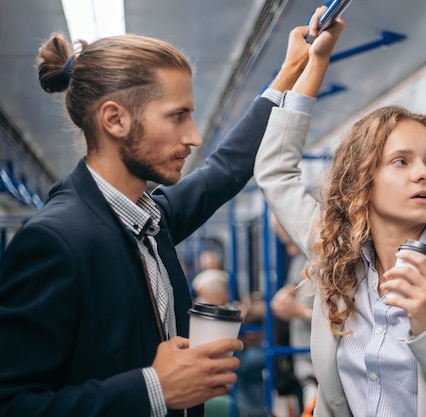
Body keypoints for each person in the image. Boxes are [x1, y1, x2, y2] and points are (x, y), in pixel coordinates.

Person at [0, 19, 315, 417]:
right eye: (177, 115)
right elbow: (12, 404)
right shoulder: (55, 241)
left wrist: (290, 71)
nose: (194, 136)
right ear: (115, 120)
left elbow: (224, 170)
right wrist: (154, 388)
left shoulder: (151, 221)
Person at [253, 7, 426, 416]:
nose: (424, 174)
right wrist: (315, 65)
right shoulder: (337, 257)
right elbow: (274, 171)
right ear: (362, 181)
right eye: (401, 161)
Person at [270, 216, 318, 409]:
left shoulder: (327, 262)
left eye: (290, 242)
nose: (290, 250)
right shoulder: (299, 260)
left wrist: (299, 311)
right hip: (303, 368)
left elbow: (346, 324)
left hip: (321, 370)